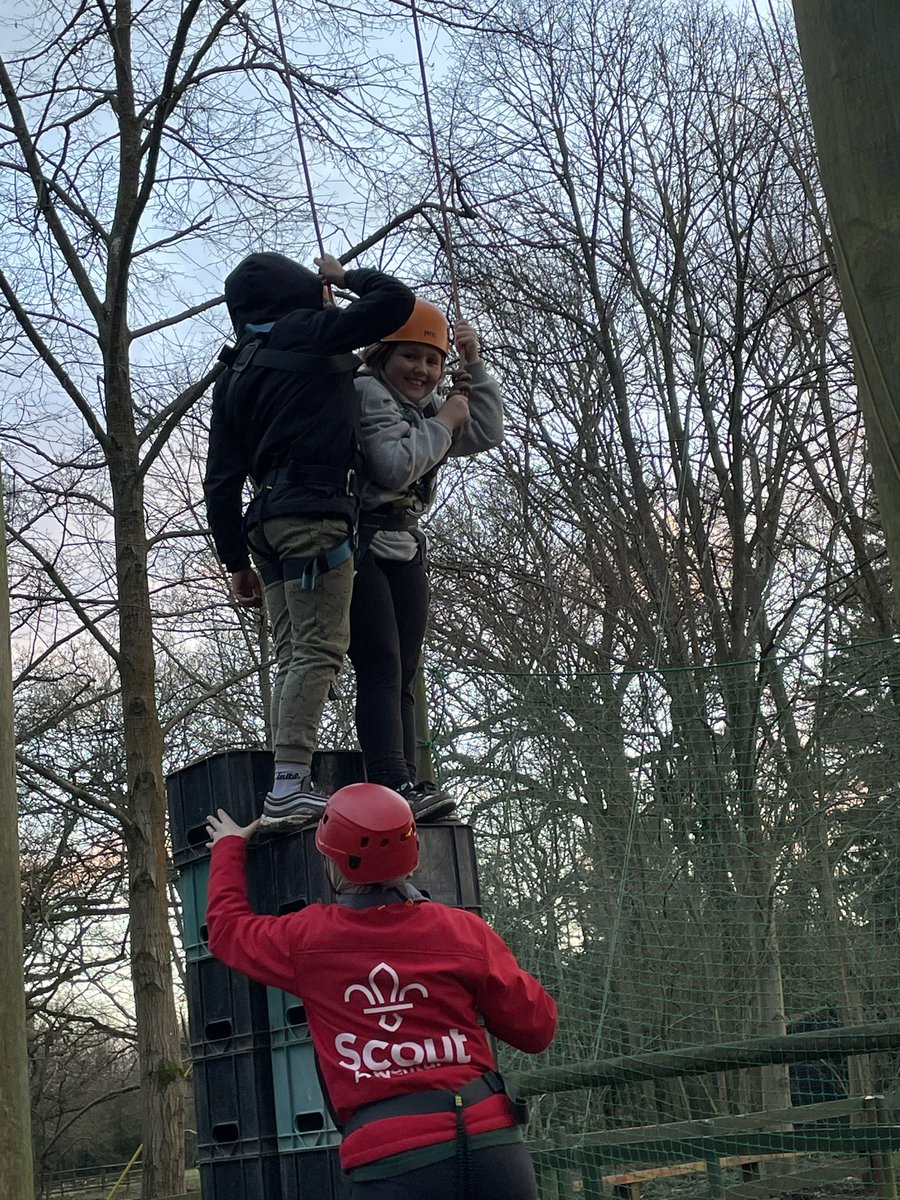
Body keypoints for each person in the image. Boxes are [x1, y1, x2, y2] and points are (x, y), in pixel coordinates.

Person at [205, 783, 556, 1199]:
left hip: (391, 1158)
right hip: (493, 1147)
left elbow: (226, 930)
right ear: (414, 853)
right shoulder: (461, 931)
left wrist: (228, 847)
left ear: (332, 859)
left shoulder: (308, 940)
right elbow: (537, 1029)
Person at [203, 252, 415, 828]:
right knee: (319, 649)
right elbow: (396, 303)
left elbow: (220, 480)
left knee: (292, 654)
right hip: (315, 516)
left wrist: (235, 560)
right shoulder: (309, 331)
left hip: (265, 526)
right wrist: (345, 279)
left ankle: (287, 780)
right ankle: (289, 787)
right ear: (297, 293)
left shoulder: (235, 372)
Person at [349, 302, 504, 821]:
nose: (422, 370)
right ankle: (390, 778)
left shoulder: (426, 405)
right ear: (384, 356)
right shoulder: (367, 393)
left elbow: (485, 433)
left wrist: (472, 364)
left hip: (404, 543)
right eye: (410, 357)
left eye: (433, 361)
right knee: (381, 664)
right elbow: (392, 466)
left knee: (406, 671)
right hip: (361, 543)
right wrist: (445, 420)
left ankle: (408, 782)